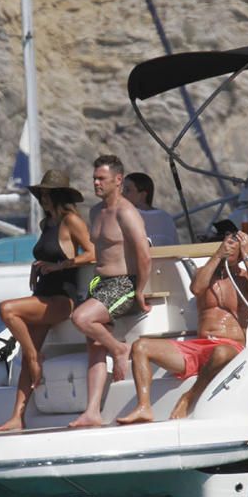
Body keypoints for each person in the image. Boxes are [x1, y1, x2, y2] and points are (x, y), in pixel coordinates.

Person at [117, 229, 248, 424]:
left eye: (235, 247)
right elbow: (196, 288)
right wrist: (217, 255)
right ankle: (143, 407)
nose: (230, 249)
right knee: (141, 346)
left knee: (220, 352)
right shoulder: (206, 274)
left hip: (230, 348)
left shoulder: (246, 279)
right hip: (199, 346)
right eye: (227, 245)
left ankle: (190, 397)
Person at [0, 169, 96, 431]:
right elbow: (48, 253)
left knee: (7, 310)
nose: (44, 198)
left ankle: (34, 355)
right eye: (42, 194)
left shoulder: (70, 220)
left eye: (48, 194)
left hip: (62, 297)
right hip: (42, 293)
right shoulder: (46, 224)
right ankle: (17, 417)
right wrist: (38, 265)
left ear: (60, 195)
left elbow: (93, 253)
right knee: (25, 357)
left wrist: (62, 266)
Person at [69, 154, 152, 428]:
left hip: (124, 284)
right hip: (101, 284)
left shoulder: (126, 212)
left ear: (118, 180)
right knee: (93, 345)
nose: (96, 183)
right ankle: (92, 411)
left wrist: (140, 289)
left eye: (101, 178)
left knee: (81, 319)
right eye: (94, 178)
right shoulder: (95, 212)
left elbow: (143, 253)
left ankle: (119, 350)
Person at [122, 172, 179, 246]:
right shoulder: (166, 217)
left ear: (142, 195)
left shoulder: (128, 216)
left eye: (127, 190)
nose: (122, 194)